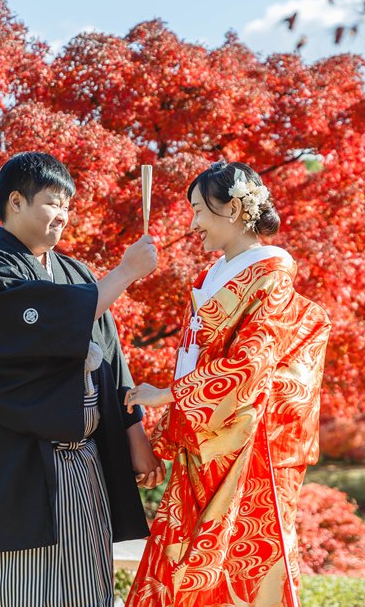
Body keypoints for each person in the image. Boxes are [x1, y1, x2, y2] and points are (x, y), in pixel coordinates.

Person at [0, 151, 166, 607]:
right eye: (52, 202)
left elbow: (112, 361)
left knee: (84, 584)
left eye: (67, 205)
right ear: (16, 202)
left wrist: (136, 435)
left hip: (84, 461)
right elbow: (53, 320)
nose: (63, 214)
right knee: (13, 589)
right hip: (15, 461)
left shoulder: (77, 273)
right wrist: (126, 272)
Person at [123, 161, 331, 607]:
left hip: (246, 447)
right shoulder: (213, 275)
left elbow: (250, 364)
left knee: (237, 567)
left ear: (233, 209)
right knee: (182, 565)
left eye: (200, 210)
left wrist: (167, 395)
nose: (193, 223)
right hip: (204, 441)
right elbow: (194, 358)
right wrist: (164, 437)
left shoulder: (272, 274)